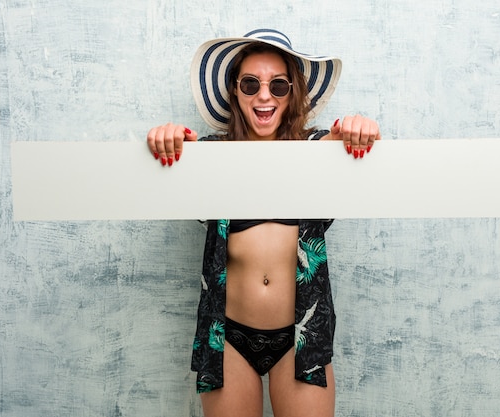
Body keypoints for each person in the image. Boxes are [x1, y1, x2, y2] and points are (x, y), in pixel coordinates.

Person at [146, 29, 381, 417]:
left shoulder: (321, 152)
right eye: (251, 83)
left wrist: (361, 129)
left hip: (299, 340)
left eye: (279, 85)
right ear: (235, 91)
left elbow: (363, 145)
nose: (264, 95)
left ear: (294, 93)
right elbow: (168, 157)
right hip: (229, 341)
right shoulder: (209, 157)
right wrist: (166, 137)